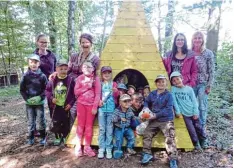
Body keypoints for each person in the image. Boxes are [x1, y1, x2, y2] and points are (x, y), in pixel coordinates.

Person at [141, 75, 178, 168]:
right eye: (158, 82)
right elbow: (146, 101)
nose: (160, 84)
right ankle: (147, 154)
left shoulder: (169, 95)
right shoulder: (152, 94)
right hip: (154, 120)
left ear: (166, 83)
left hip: (166, 120)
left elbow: (168, 109)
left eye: (162, 82)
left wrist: (155, 115)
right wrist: (145, 108)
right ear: (156, 83)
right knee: (147, 134)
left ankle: (173, 159)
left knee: (170, 136)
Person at [170, 71, 208, 150]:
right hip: (184, 114)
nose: (176, 81)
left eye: (177, 79)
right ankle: (196, 143)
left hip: (193, 112)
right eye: (173, 81)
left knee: (199, 127)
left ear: (182, 78)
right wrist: (178, 112)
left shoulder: (189, 89)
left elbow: (194, 101)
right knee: (191, 129)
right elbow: (174, 101)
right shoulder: (173, 89)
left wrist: (196, 112)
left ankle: (203, 141)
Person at [45, 59, 76, 146]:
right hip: (55, 106)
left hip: (65, 106)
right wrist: (51, 98)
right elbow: (47, 91)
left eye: (65, 69)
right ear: (56, 69)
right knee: (56, 122)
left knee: (66, 121)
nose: (63, 71)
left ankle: (65, 136)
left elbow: (74, 94)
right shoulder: (53, 80)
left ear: (68, 69)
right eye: (61, 69)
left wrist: (70, 104)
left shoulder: (70, 80)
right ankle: (58, 137)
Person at [74, 61, 101, 157]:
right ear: (82, 69)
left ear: (93, 69)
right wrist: (86, 86)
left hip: (91, 106)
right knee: (80, 126)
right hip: (81, 104)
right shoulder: (79, 78)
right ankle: (78, 146)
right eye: (85, 67)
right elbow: (76, 92)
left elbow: (98, 94)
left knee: (89, 126)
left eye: (89, 67)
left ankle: (87, 147)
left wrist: (95, 106)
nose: (87, 69)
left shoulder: (96, 79)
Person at [20, 54, 47, 145]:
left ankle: (43, 137)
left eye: (35, 62)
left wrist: (40, 97)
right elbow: (22, 89)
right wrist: (27, 99)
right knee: (31, 121)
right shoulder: (25, 76)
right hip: (29, 104)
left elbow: (46, 89)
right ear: (28, 63)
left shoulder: (42, 76)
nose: (33, 64)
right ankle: (30, 137)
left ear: (39, 63)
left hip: (39, 103)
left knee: (40, 120)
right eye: (31, 62)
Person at [191, 31, 215, 130]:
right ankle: (193, 127)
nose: (197, 40)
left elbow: (212, 70)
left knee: (202, 107)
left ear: (202, 40)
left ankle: (202, 128)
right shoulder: (189, 52)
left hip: (203, 84)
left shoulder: (208, 53)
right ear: (192, 40)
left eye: (199, 38)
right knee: (192, 105)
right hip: (191, 84)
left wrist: (209, 85)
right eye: (195, 38)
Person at [98, 66, 119, 159]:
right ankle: (101, 148)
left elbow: (117, 96)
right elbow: (97, 94)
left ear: (111, 74)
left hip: (111, 110)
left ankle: (108, 148)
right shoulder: (100, 84)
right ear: (102, 75)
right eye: (104, 73)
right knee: (102, 129)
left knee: (109, 130)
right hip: (102, 110)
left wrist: (116, 91)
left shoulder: (114, 84)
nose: (106, 74)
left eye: (108, 73)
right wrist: (99, 101)